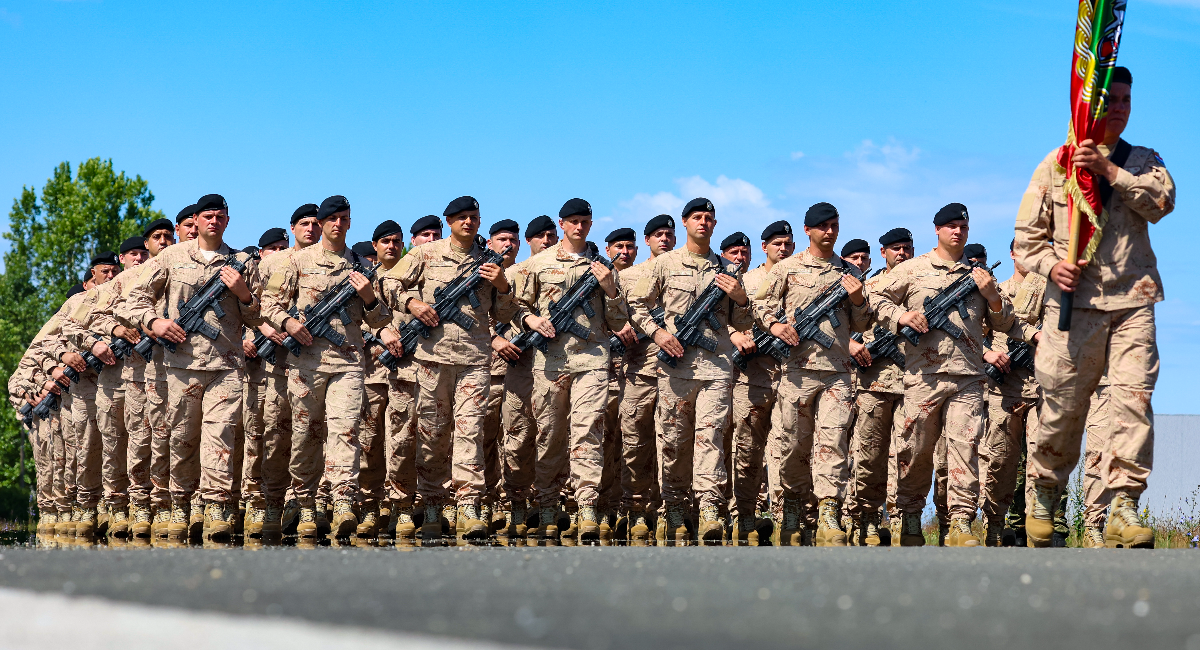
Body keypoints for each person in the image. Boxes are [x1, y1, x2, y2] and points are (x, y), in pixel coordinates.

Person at [1013, 66, 1173, 549]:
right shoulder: (1056, 164)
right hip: (1074, 306)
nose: (1120, 108)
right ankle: (1045, 493)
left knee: (1133, 402)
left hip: (1133, 301)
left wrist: (1111, 172)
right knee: (1062, 406)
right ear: (1090, 107)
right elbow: (1027, 240)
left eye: (1127, 100)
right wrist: (1051, 267)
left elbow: (1163, 202)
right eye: (1111, 100)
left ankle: (1124, 505)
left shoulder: (1142, 160)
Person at [873, 202, 1013, 547]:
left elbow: (1005, 322)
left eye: (963, 227)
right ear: (937, 230)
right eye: (951, 226)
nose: (958, 232)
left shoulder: (980, 275)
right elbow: (873, 295)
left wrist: (993, 297)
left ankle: (961, 522)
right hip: (924, 377)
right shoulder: (913, 269)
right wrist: (901, 316)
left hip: (968, 376)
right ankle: (909, 517)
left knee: (966, 448)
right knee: (916, 451)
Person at [126, 194, 262, 542]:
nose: (214, 221)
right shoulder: (171, 257)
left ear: (227, 221)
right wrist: (153, 322)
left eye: (220, 216)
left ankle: (216, 507)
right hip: (182, 365)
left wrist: (244, 294)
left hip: (226, 366)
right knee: (182, 438)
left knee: (221, 436)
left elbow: (258, 316)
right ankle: (181, 506)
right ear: (196, 221)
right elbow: (134, 298)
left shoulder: (240, 263)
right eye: (207, 216)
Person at [383, 196, 518, 545]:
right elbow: (388, 283)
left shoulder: (489, 260)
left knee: (470, 431)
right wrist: (413, 303)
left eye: (473, 217)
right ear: (449, 221)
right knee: (432, 433)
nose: (468, 222)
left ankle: (469, 506)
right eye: (461, 217)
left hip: (475, 360)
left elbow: (504, 314)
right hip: (433, 359)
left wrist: (502, 286)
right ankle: (432, 504)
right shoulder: (426, 254)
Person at [260, 195, 389, 540]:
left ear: (350, 223)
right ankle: (305, 504)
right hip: (307, 363)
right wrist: (289, 323)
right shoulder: (296, 261)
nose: (338, 224)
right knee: (306, 435)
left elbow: (381, 319)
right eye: (332, 219)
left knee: (346, 430)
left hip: (348, 363)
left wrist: (369, 297)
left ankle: (344, 501)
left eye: (344, 218)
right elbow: (268, 304)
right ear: (322, 223)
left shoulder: (361, 266)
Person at [628, 197, 752, 545]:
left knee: (711, 437)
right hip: (676, 368)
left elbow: (743, 320)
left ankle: (709, 508)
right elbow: (635, 305)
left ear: (715, 224)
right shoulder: (664, 264)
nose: (703, 222)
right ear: (685, 222)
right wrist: (658, 334)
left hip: (716, 368)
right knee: (674, 440)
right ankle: (674, 507)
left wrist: (741, 298)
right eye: (697, 217)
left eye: (709, 218)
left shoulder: (728, 269)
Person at [513, 198, 629, 545]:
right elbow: (513, 305)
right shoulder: (538, 263)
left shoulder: (603, 266)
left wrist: (610, 289)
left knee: (588, 432)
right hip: (550, 362)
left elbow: (619, 321)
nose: (579, 227)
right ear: (562, 223)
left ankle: (587, 507)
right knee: (549, 435)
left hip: (592, 359)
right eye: (573, 221)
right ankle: (548, 505)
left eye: (585, 221)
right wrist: (530, 319)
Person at [754, 204, 870, 546]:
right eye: (823, 226)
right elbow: (759, 305)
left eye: (834, 225)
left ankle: (828, 512)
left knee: (833, 442)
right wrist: (775, 325)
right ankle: (791, 509)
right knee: (793, 443)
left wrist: (858, 299)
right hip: (797, 372)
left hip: (837, 372)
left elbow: (863, 323)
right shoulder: (787, 268)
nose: (830, 231)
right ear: (808, 230)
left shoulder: (849, 272)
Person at [60, 238, 153, 540]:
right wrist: (93, 344)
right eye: (133, 254)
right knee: (105, 447)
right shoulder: (96, 295)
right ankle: (106, 507)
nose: (139, 259)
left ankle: (143, 506)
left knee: (145, 445)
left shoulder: (155, 282)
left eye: (143, 254)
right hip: (109, 381)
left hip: (150, 377)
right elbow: (67, 326)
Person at [257, 205, 325, 538]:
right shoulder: (273, 263)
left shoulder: (333, 263)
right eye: (304, 224)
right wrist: (266, 327)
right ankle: (273, 502)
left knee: (314, 433)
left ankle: (311, 502)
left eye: (315, 224)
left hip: (317, 364)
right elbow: (251, 305)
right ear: (293, 227)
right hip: (279, 364)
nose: (310, 229)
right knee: (277, 434)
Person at [844, 228, 913, 546]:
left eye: (907, 247)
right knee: (869, 455)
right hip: (873, 382)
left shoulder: (921, 287)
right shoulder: (866, 289)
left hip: (914, 384)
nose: (902, 253)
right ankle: (867, 518)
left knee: (908, 454)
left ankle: (902, 521)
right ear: (884, 253)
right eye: (896, 248)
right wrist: (850, 345)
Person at [976, 239, 1047, 546]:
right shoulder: (996, 292)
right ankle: (994, 524)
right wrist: (989, 354)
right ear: (1012, 254)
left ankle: (1037, 527)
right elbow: (972, 336)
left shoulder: (1052, 294)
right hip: (1003, 390)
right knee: (1000, 461)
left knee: (1042, 462)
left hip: (1043, 389)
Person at [728, 221, 793, 545]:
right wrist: (735, 335)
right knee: (747, 449)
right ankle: (743, 516)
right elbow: (722, 319)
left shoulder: (800, 279)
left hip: (791, 376)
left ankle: (784, 519)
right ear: (765, 247)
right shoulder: (746, 281)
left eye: (788, 243)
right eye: (777, 243)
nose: (783, 249)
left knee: (787, 448)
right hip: (752, 377)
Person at [497, 215, 559, 543]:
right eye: (540, 237)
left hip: (555, 364)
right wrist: (499, 339)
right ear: (530, 242)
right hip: (520, 364)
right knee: (518, 436)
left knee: (553, 435)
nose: (546, 241)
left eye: (551, 235)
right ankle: (516, 504)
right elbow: (492, 313)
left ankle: (549, 505)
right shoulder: (512, 274)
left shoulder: (564, 270)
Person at [616, 214, 677, 544]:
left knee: (673, 445)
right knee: (636, 444)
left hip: (678, 372)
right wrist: (620, 326)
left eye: (669, 234)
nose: (664, 239)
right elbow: (611, 316)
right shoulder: (628, 277)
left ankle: (671, 510)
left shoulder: (684, 272)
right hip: (639, 372)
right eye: (658, 234)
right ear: (648, 241)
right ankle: (636, 509)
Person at [354, 221, 408, 539]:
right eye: (385, 241)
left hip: (406, 372)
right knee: (368, 443)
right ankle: (369, 507)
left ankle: (400, 507)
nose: (392, 246)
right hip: (371, 372)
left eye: (397, 241)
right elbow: (351, 320)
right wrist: (377, 333)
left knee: (402, 442)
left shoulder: (413, 278)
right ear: (374, 245)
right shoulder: (362, 279)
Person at [238, 226, 292, 539]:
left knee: (284, 436)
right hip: (255, 372)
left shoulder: (291, 274)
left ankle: (285, 499)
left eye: (283, 247)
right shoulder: (252, 278)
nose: (278, 253)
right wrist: (246, 339)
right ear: (261, 253)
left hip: (286, 367)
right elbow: (241, 315)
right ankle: (253, 500)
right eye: (273, 248)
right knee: (255, 437)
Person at [481, 219, 522, 538]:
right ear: (490, 243)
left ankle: (510, 504)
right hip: (484, 370)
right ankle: (483, 501)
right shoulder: (478, 274)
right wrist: (494, 338)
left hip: (520, 371)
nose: (508, 244)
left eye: (513, 240)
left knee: (516, 440)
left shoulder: (524, 274)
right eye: (502, 239)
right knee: (482, 439)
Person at [600, 226, 638, 541]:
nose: (624, 252)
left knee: (632, 444)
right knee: (600, 443)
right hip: (602, 373)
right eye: (618, 247)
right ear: (608, 249)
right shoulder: (597, 279)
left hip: (635, 373)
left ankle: (628, 509)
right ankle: (601, 508)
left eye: (629, 247)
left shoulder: (642, 279)